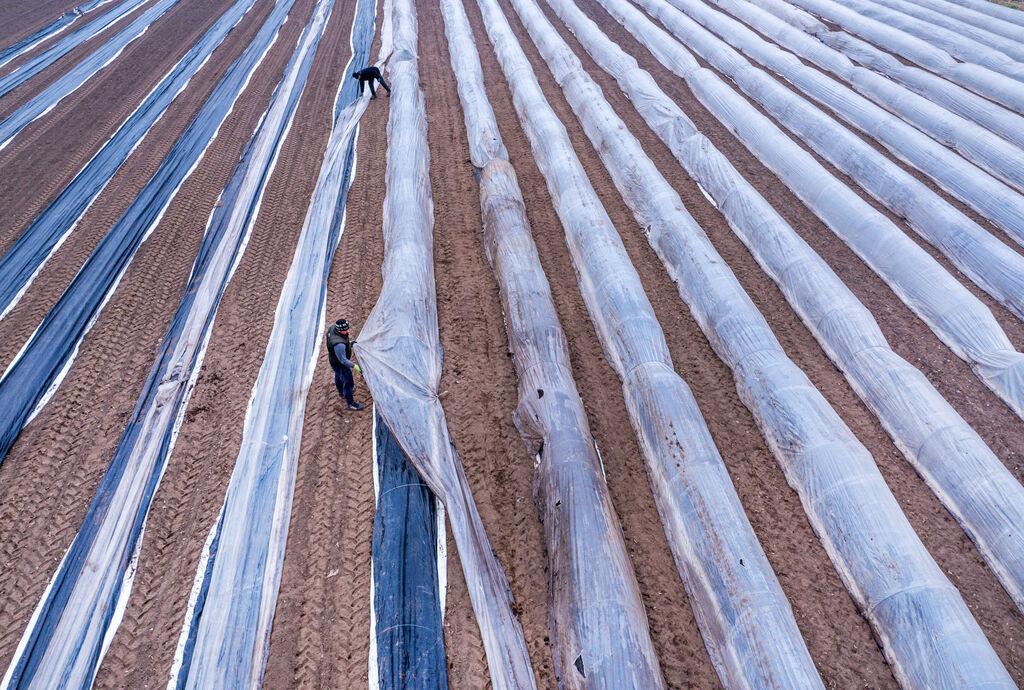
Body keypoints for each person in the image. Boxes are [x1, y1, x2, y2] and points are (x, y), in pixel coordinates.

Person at [326, 318, 366, 411]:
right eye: (346, 330)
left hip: (333, 360)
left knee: (338, 375)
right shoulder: (339, 344)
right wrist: (355, 366)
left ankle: (341, 392)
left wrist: (349, 343)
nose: (348, 331)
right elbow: (343, 360)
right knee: (348, 382)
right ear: (340, 330)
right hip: (340, 364)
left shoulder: (332, 328)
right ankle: (351, 404)